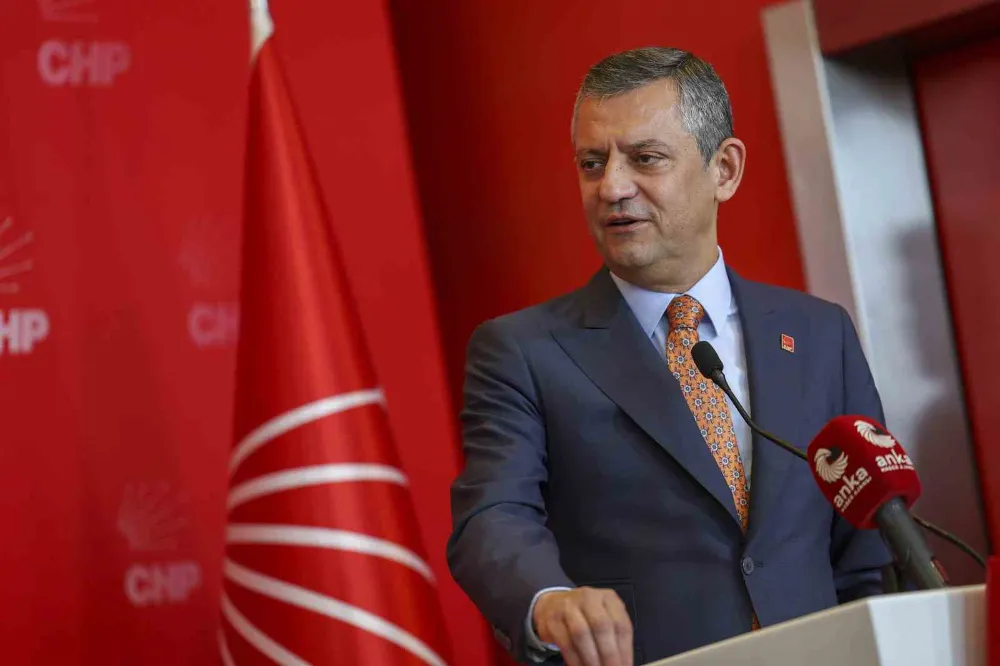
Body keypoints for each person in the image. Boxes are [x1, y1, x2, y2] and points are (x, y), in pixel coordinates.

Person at [447, 47, 890, 666]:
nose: (612, 188)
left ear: (724, 169)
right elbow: (493, 515)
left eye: (645, 158)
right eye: (592, 163)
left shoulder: (818, 334)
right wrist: (548, 599)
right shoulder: (523, 351)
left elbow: (869, 546)